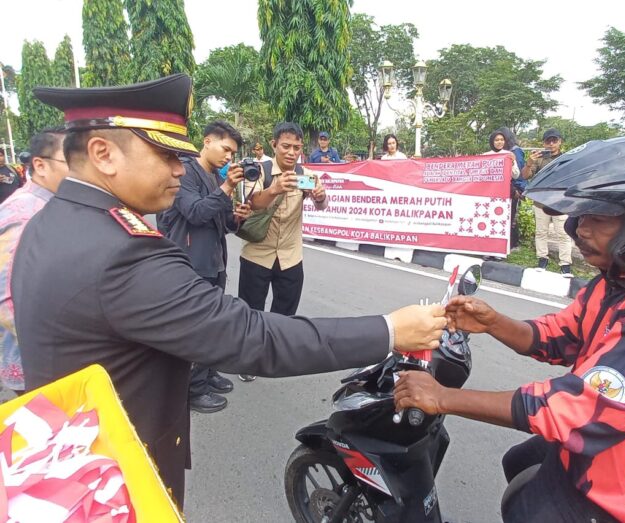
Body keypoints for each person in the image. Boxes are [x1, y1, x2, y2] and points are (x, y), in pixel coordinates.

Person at [15, 74, 447, 507]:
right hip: (114, 483)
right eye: (166, 155)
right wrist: (389, 330)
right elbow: (250, 336)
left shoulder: (52, 220)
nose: (179, 170)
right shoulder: (122, 251)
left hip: (70, 464)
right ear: (102, 153)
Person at [394, 135, 625, 522]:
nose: (580, 230)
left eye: (600, 219)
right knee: (520, 461)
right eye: (582, 217)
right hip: (604, 449)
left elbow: (576, 407)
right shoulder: (620, 281)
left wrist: (443, 399)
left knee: (529, 506)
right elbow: (561, 335)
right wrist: (493, 322)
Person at [157, 121, 252, 413]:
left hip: (213, 261)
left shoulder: (212, 176)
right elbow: (195, 213)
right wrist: (227, 187)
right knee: (196, 327)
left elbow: (220, 223)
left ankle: (207, 373)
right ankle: (193, 389)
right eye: (225, 149)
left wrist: (238, 217)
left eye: (233, 153)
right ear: (207, 141)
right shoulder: (185, 171)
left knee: (213, 322)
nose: (228, 157)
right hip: (191, 261)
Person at [0, 128, 68, 395]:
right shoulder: (23, 214)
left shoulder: (55, 205)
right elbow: (6, 298)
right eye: (71, 161)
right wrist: (57, 347)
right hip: (38, 364)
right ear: (40, 165)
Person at [237, 121, 327, 317]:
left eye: (297, 148)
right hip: (256, 256)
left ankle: (276, 348)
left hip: (291, 258)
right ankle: (250, 348)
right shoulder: (257, 171)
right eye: (286, 146)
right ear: (274, 144)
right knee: (249, 315)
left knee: (285, 317)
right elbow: (252, 203)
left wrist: (320, 196)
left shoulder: (306, 175)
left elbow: (321, 205)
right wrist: (274, 189)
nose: (291, 152)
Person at [521, 128, 573, 277]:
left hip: (560, 202)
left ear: (560, 141)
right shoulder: (539, 159)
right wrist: (529, 163)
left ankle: (565, 264)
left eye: (554, 140)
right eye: (548, 141)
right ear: (543, 143)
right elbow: (525, 176)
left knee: (563, 233)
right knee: (541, 232)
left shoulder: (567, 158)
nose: (551, 144)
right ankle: (542, 258)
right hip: (541, 202)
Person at [483, 128, 525, 249]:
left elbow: (516, 175)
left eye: (502, 140)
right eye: (496, 140)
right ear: (492, 142)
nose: (499, 142)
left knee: (504, 220)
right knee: (489, 219)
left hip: (505, 193)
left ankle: (501, 249)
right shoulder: (486, 156)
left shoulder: (509, 155)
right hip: (490, 194)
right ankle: (488, 248)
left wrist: (512, 162)